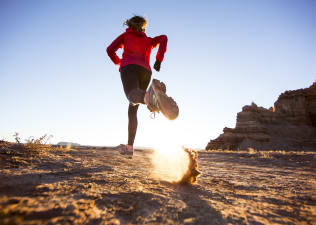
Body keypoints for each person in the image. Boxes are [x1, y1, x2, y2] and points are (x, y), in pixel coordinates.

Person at [106, 15, 168, 158]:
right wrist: (158, 60)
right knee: (133, 108)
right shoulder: (148, 40)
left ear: (129, 24)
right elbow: (164, 38)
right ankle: (129, 147)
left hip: (129, 68)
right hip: (145, 72)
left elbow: (109, 50)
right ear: (143, 26)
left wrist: (119, 62)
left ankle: (151, 98)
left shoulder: (125, 36)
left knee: (132, 95)